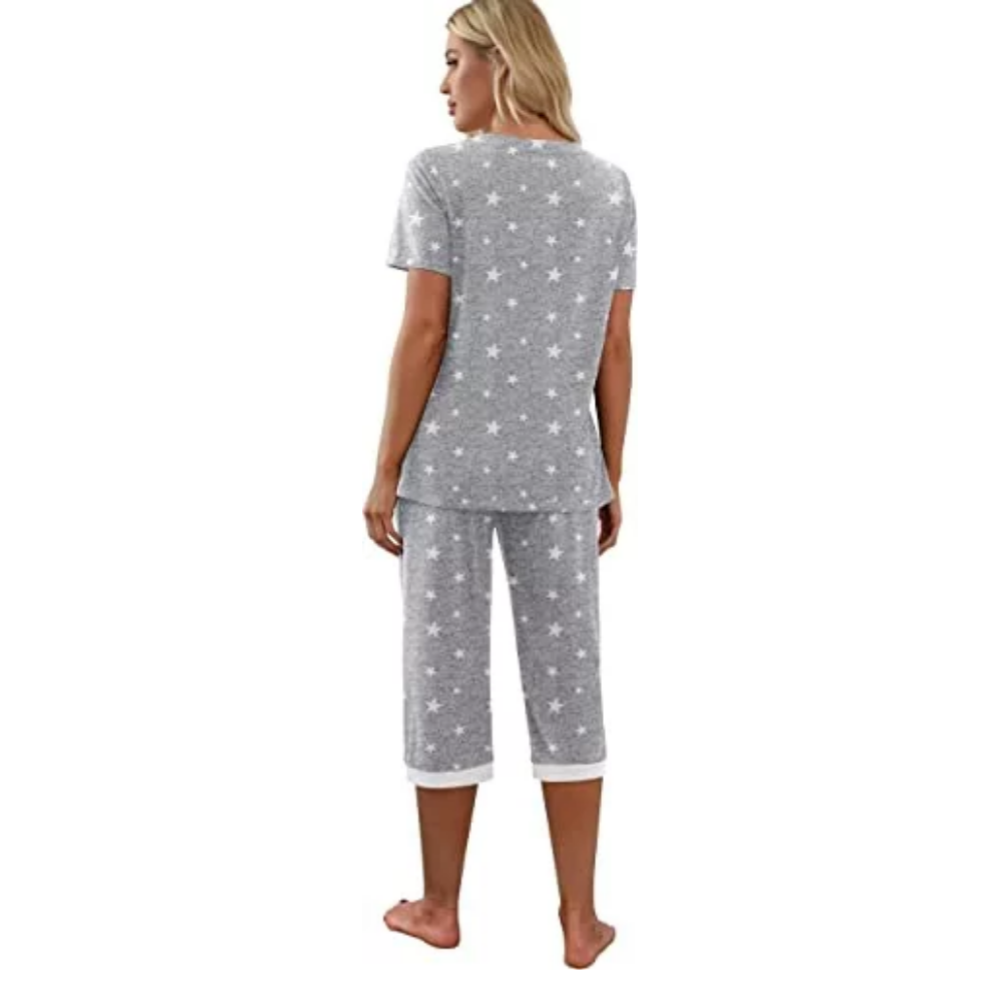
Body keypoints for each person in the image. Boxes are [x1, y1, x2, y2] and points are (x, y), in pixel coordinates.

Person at [363, 0, 635, 969]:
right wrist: (610, 471)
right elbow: (613, 346)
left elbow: (423, 331)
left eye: (452, 61)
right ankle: (580, 919)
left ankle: (440, 906)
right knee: (569, 682)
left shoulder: (439, 174)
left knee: (442, 679)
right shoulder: (608, 187)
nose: (443, 83)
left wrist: (385, 469)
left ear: (499, 61)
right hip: (562, 469)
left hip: (447, 469)